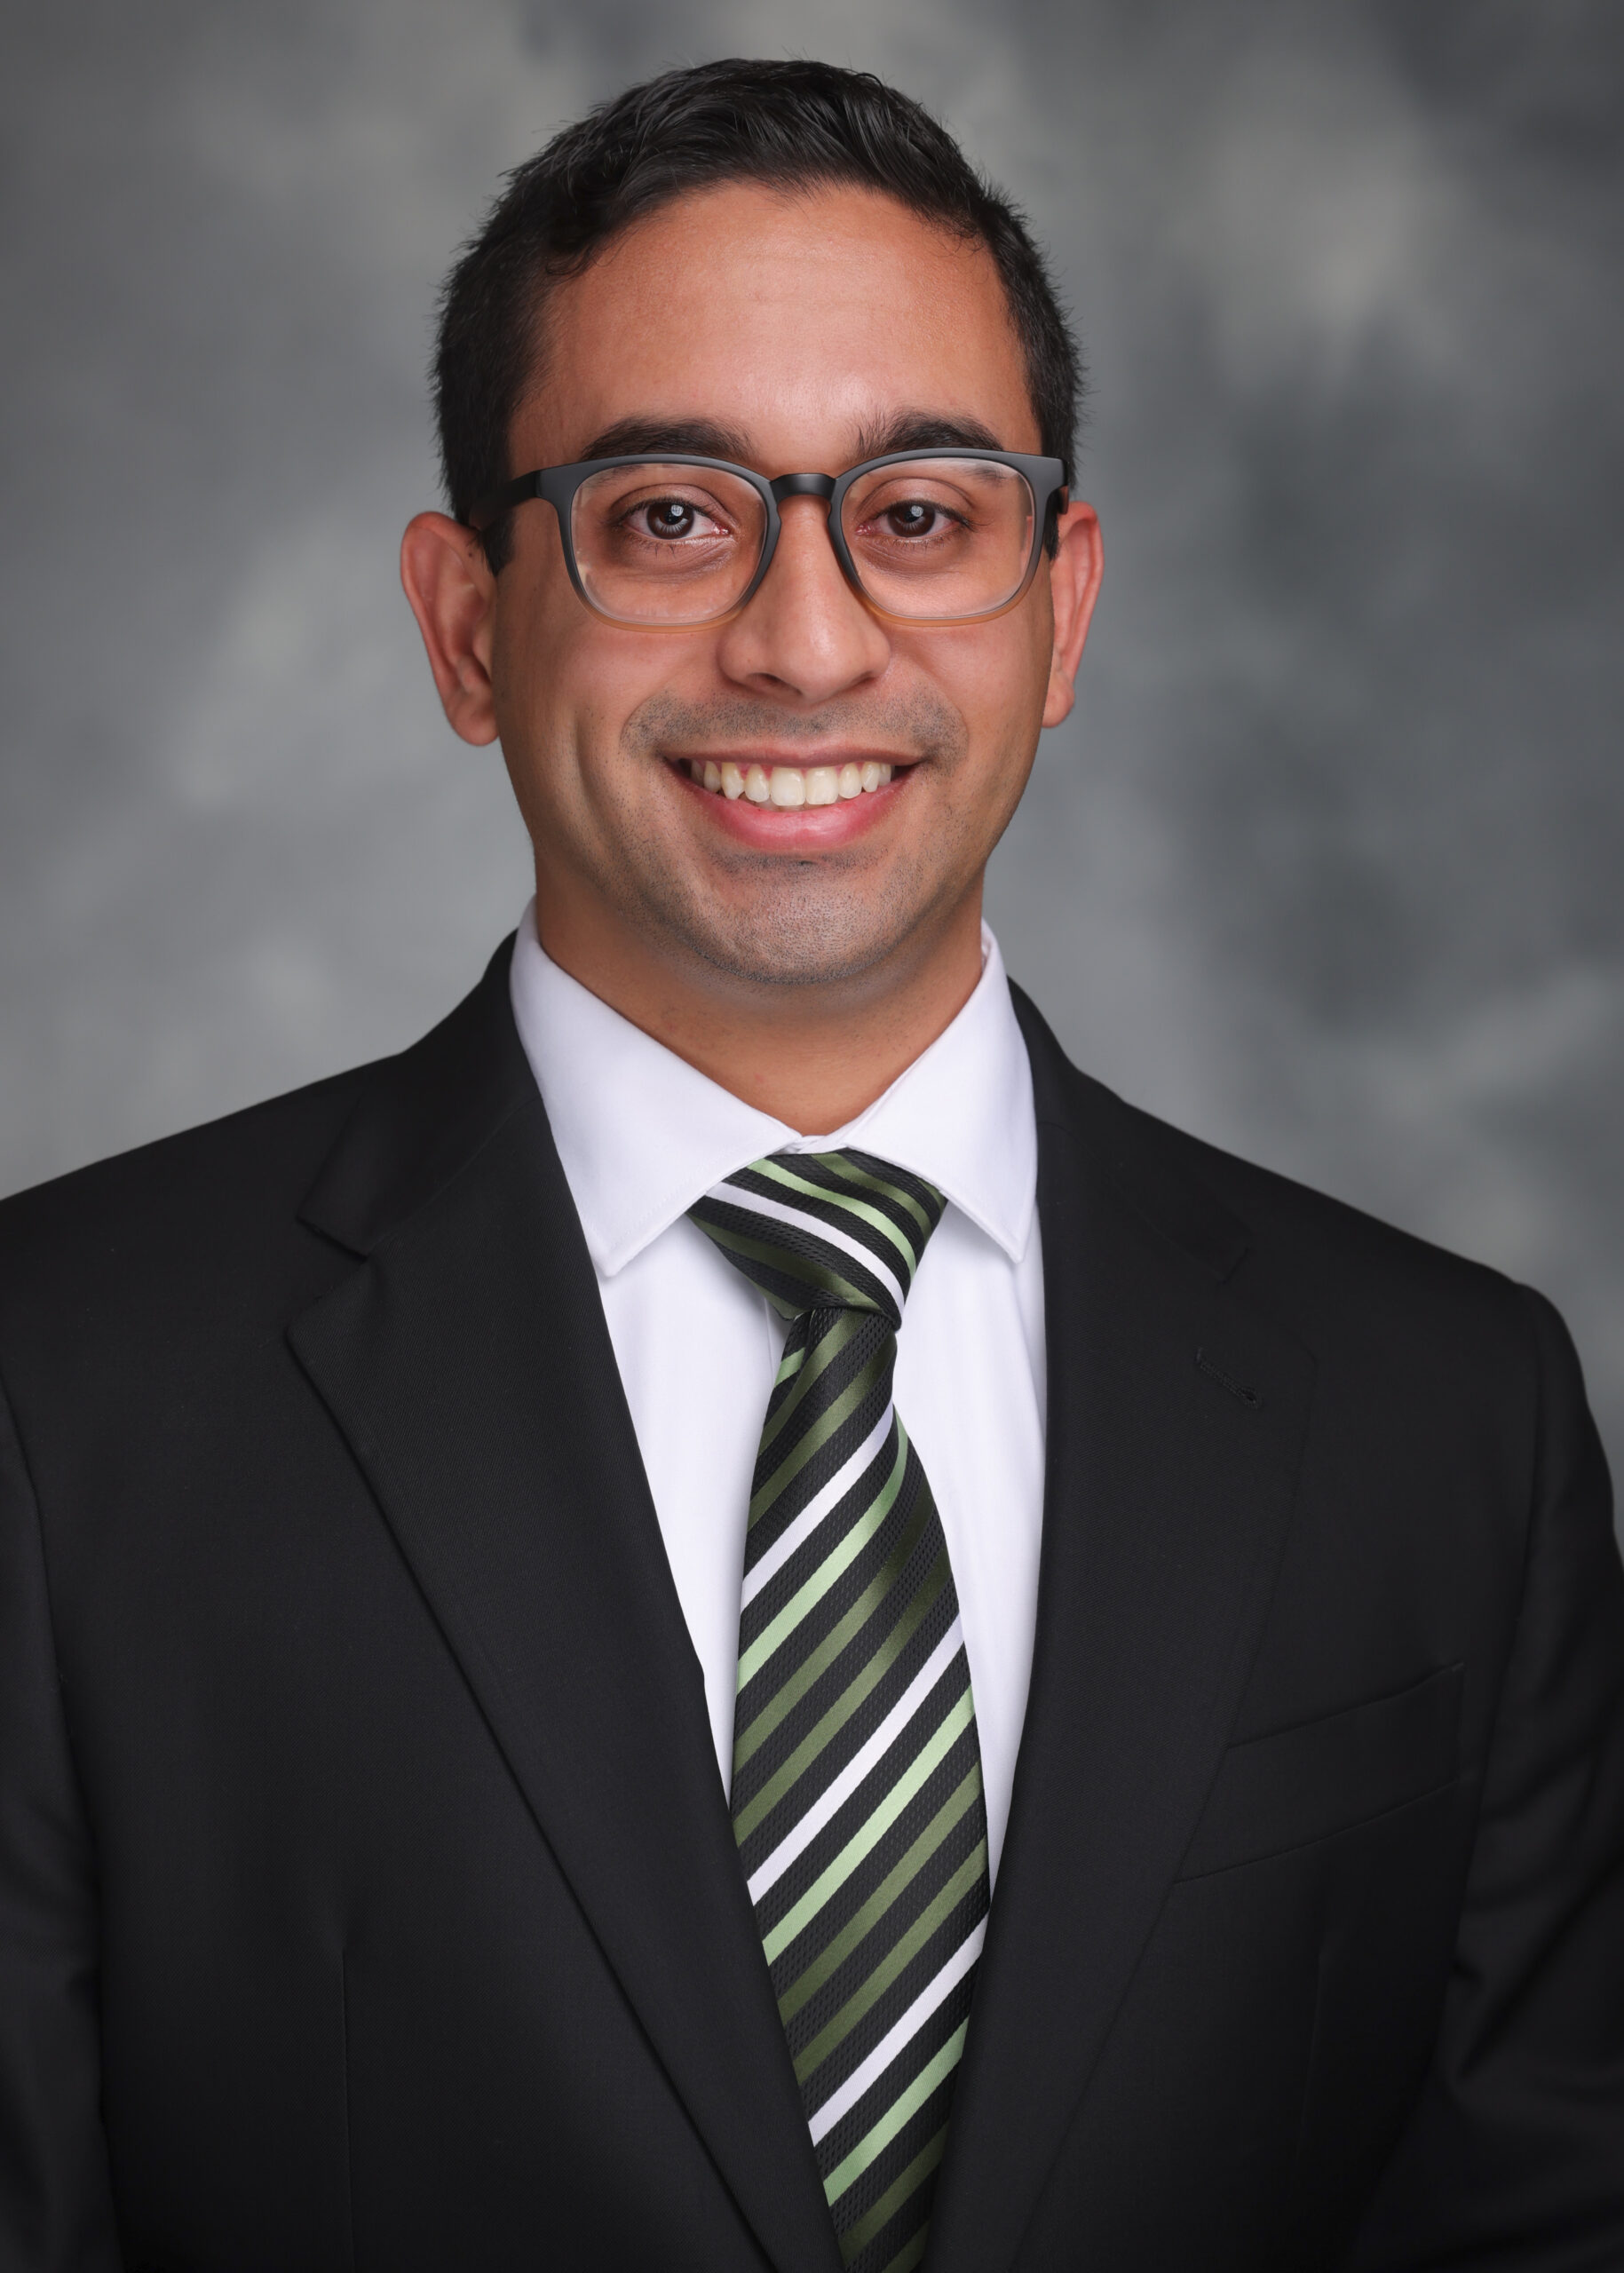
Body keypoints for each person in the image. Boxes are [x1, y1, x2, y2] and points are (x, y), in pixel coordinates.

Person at [2, 56, 1620, 2273]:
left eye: (921, 512)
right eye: (672, 511)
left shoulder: (1456, 1411)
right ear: (471, 625)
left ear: (1061, 610)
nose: (805, 635)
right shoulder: (60, 1387)